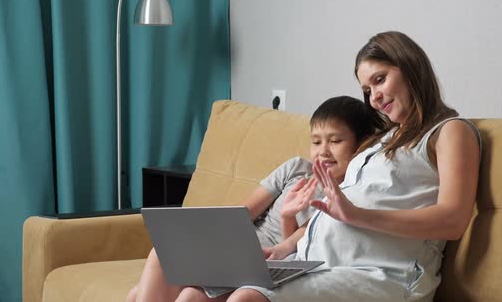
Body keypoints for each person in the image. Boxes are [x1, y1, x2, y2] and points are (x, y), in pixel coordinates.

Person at [176, 31, 482, 302]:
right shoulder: (382, 140)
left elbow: (452, 220)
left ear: (411, 68)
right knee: (194, 294)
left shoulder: (449, 131)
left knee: (247, 297)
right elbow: (332, 215)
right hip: (316, 265)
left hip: (384, 276)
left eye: (380, 79)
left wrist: (357, 215)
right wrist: (285, 249)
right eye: (367, 89)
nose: (374, 97)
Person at [126, 95, 384, 302]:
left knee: (185, 293)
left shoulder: (346, 196)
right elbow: (244, 211)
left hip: (264, 262)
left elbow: (292, 249)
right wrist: (203, 234)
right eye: (316, 142)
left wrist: (287, 215)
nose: (323, 151)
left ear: (360, 145)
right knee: (149, 276)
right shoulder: (296, 167)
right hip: (237, 247)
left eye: (336, 141)